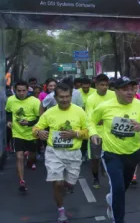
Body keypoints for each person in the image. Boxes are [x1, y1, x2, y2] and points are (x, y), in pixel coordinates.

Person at [89, 77, 140, 223]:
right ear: (116, 90)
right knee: (118, 188)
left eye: (132, 89)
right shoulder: (105, 106)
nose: (130, 92)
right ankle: (118, 219)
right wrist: (93, 133)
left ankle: (111, 199)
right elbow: (90, 121)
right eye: (125, 89)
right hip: (111, 153)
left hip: (132, 153)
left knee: (123, 187)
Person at [33, 83, 88, 223]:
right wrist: (39, 132)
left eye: (67, 97)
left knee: (69, 184)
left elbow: (87, 132)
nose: (65, 100)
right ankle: (61, 210)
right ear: (55, 98)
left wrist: (75, 134)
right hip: (54, 152)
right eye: (61, 97)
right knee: (58, 183)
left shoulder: (79, 111)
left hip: (74, 153)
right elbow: (36, 128)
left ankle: (65, 189)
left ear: (71, 96)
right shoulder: (49, 112)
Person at [5, 80, 41, 191]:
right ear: (15, 90)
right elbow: (8, 112)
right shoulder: (11, 100)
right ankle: (22, 181)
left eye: (23, 90)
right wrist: (9, 121)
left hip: (32, 133)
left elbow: (41, 118)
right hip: (17, 133)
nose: (21, 93)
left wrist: (29, 123)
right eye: (19, 91)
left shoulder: (35, 101)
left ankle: (30, 160)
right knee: (19, 157)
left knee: (32, 156)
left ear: (28, 90)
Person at [85, 74, 115, 188]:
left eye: (106, 85)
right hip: (96, 134)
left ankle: (105, 170)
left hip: (110, 133)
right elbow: (90, 118)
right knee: (95, 158)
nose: (104, 87)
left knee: (111, 156)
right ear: (96, 85)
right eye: (102, 85)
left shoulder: (113, 95)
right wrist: (99, 120)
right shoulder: (91, 99)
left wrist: (104, 119)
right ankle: (95, 178)